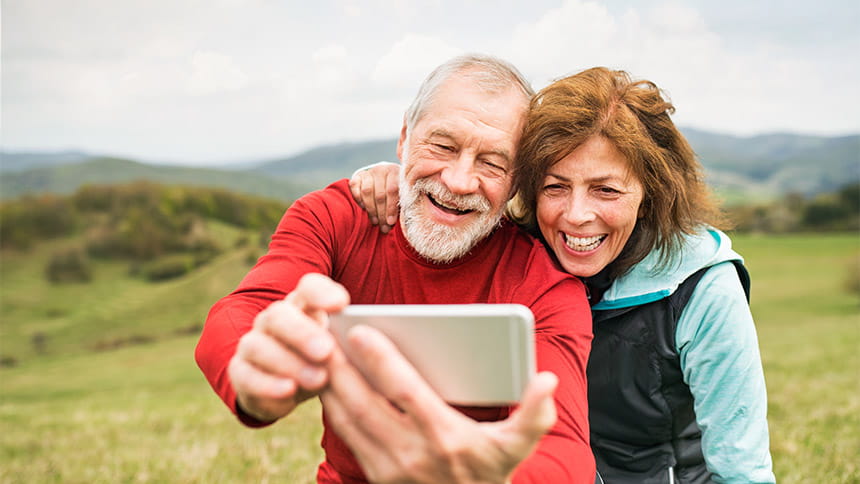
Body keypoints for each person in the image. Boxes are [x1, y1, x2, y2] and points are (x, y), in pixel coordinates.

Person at [351, 67, 776, 483]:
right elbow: (456, 196)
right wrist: (389, 177)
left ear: (650, 196)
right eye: (555, 187)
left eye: (606, 190)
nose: (576, 216)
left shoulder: (704, 288)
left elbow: (743, 470)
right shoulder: (519, 254)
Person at [195, 54, 597, 484]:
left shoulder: (546, 287)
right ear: (405, 137)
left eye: (492, 163)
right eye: (442, 146)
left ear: (516, 181)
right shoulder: (333, 219)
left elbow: (564, 447)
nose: (459, 181)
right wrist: (256, 371)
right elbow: (244, 312)